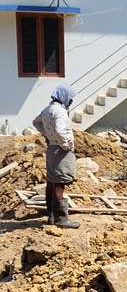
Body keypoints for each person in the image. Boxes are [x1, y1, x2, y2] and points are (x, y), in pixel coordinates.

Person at [33, 85, 80, 229]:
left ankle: (52, 216)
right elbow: (60, 130)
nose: (71, 101)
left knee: (52, 181)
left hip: (51, 148)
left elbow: (36, 122)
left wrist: (47, 135)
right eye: (70, 98)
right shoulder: (60, 111)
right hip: (60, 150)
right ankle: (61, 219)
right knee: (60, 182)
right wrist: (65, 143)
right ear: (64, 96)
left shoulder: (47, 109)